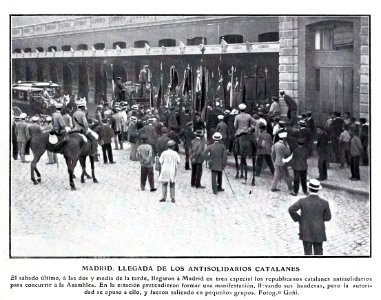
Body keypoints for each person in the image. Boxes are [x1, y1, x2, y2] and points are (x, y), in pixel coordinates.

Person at [288, 179, 332, 255]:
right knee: (319, 253)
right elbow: (328, 218)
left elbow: (291, 209)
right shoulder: (324, 203)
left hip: (306, 230)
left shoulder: (302, 201)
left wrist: (299, 219)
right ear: (318, 190)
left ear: (309, 188)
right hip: (319, 231)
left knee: (307, 253)